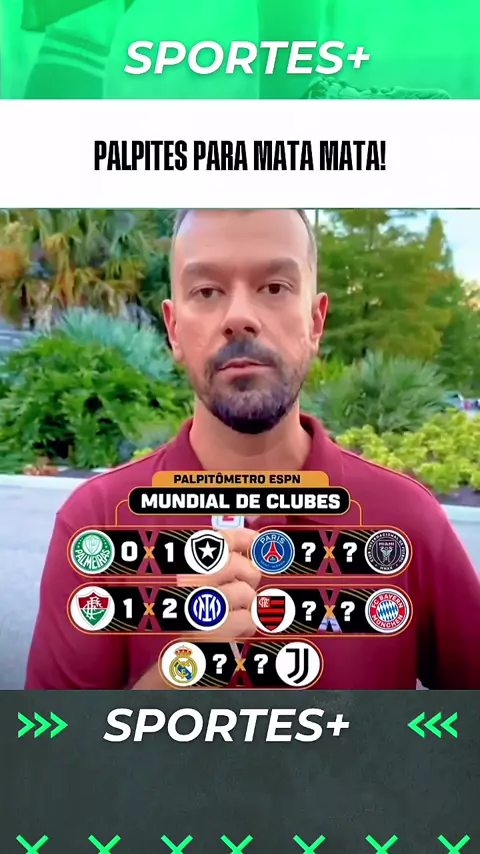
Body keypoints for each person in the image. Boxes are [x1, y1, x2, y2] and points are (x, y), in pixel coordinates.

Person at [25, 208, 480, 690]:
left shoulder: (406, 521)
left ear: (316, 321)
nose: (239, 317)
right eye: (207, 291)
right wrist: (178, 679)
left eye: (274, 287)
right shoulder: (97, 526)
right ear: (174, 329)